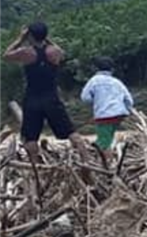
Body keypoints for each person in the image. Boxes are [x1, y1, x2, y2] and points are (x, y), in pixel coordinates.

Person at [2, 22, 90, 166]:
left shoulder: (26, 53)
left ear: (30, 35)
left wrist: (20, 38)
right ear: (45, 35)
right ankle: (86, 161)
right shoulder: (54, 52)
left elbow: (6, 56)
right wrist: (47, 39)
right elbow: (62, 52)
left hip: (32, 99)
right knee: (71, 132)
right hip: (52, 98)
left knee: (31, 138)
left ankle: (36, 168)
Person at [80, 56, 134, 157]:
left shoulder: (94, 81)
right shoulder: (117, 82)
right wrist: (128, 110)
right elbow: (129, 100)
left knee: (104, 142)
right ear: (112, 69)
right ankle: (105, 154)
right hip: (119, 114)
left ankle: (108, 163)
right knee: (107, 137)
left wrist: (96, 101)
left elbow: (85, 98)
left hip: (104, 115)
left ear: (96, 69)